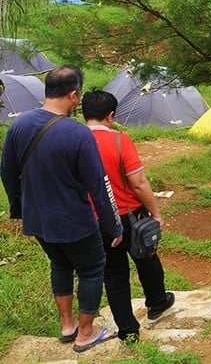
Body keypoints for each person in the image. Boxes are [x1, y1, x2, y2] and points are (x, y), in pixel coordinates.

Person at [1, 65, 123, 353]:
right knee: (92, 269)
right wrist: (113, 225)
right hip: (75, 220)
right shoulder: (79, 134)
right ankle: (86, 333)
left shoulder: (18, 125)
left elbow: (7, 172)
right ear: (74, 95)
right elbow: (98, 185)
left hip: (38, 220)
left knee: (60, 264)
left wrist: (18, 209)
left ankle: (68, 326)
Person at [81, 90, 174, 343]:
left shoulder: (73, 141)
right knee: (147, 259)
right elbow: (138, 183)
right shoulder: (121, 141)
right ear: (111, 116)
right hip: (129, 216)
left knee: (113, 274)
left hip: (94, 221)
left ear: (83, 113)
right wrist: (156, 213)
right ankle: (157, 302)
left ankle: (128, 330)